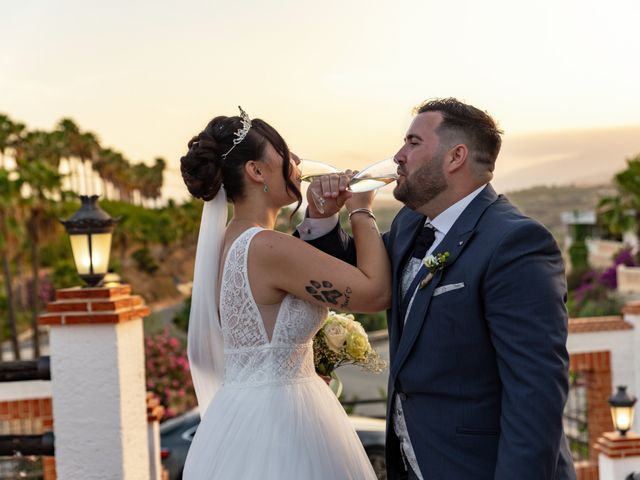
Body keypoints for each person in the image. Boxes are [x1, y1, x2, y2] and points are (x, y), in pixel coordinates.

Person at [298, 98, 576, 479]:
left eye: (412, 142)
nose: (398, 156)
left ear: (456, 156)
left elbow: (535, 395)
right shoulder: (410, 225)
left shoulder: (516, 243)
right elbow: (357, 273)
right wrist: (322, 219)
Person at [179, 107, 390, 479]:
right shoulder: (266, 246)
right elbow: (374, 293)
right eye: (284, 152)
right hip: (284, 421)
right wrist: (361, 210)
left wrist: (321, 217)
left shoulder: (229, 242)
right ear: (256, 171)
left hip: (240, 417)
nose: (295, 161)